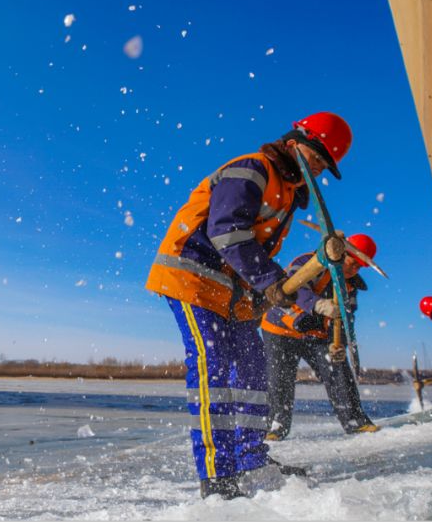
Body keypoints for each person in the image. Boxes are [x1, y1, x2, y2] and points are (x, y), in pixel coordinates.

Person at [145, 111, 352, 500]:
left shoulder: (288, 194)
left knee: (254, 371)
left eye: (326, 165)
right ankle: (218, 475)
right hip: (193, 280)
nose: (320, 170)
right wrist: (271, 280)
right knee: (213, 366)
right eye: (318, 158)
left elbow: (255, 249)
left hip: (235, 295)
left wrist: (271, 290)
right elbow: (228, 232)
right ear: (295, 142)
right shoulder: (252, 169)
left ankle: (252, 459)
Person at [261, 233, 380, 441]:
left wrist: (338, 345)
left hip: (316, 334)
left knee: (338, 369)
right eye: (354, 263)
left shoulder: (349, 285)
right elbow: (294, 288)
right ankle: (275, 426)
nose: (355, 270)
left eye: (360, 267)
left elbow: (344, 319)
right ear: (343, 253)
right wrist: (318, 305)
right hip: (280, 330)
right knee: (279, 378)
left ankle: (355, 420)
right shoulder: (309, 262)